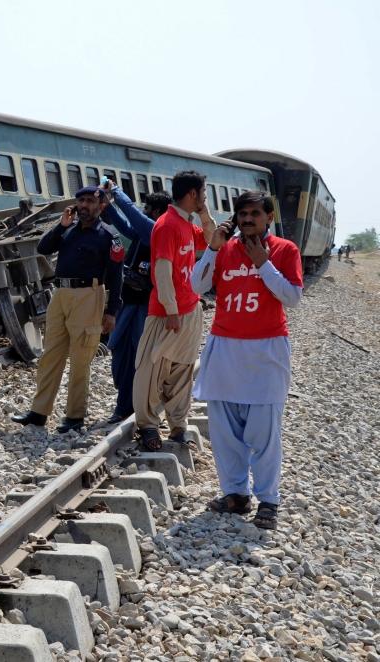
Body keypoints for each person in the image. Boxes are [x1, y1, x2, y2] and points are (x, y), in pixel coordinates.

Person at [191, 190, 303, 529]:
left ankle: (268, 500)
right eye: (243, 214)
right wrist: (212, 247)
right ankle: (235, 494)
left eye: (255, 213)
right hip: (225, 348)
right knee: (225, 431)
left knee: (264, 432)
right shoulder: (224, 250)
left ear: (269, 217)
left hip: (266, 351)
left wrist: (262, 264)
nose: (248, 219)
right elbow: (196, 285)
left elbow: (292, 297)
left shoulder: (285, 250)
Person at [11, 186, 124, 433]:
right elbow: (43, 248)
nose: (84, 205)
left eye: (89, 201)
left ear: (101, 206)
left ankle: (74, 417)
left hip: (88, 295)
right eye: (80, 201)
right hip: (60, 295)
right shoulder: (68, 231)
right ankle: (39, 413)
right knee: (51, 355)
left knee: (81, 359)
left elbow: (116, 278)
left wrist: (111, 311)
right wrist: (61, 225)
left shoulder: (108, 237)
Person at [131, 170, 214, 450]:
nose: (204, 198)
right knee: (152, 368)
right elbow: (162, 269)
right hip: (169, 312)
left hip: (189, 309)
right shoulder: (167, 225)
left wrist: (205, 215)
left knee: (182, 370)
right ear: (192, 193)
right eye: (203, 193)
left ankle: (178, 426)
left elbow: (214, 242)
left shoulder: (187, 224)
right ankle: (148, 426)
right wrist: (170, 308)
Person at [100, 184, 172, 424]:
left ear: (158, 212)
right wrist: (108, 208)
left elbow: (133, 218)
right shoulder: (144, 233)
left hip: (146, 307)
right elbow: (125, 226)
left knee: (138, 357)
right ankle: (126, 402)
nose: (144, 212)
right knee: (120, 352)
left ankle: (129, 407)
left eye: (148, 209)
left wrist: (116, 193)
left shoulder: (158, 231)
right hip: (128, 302)